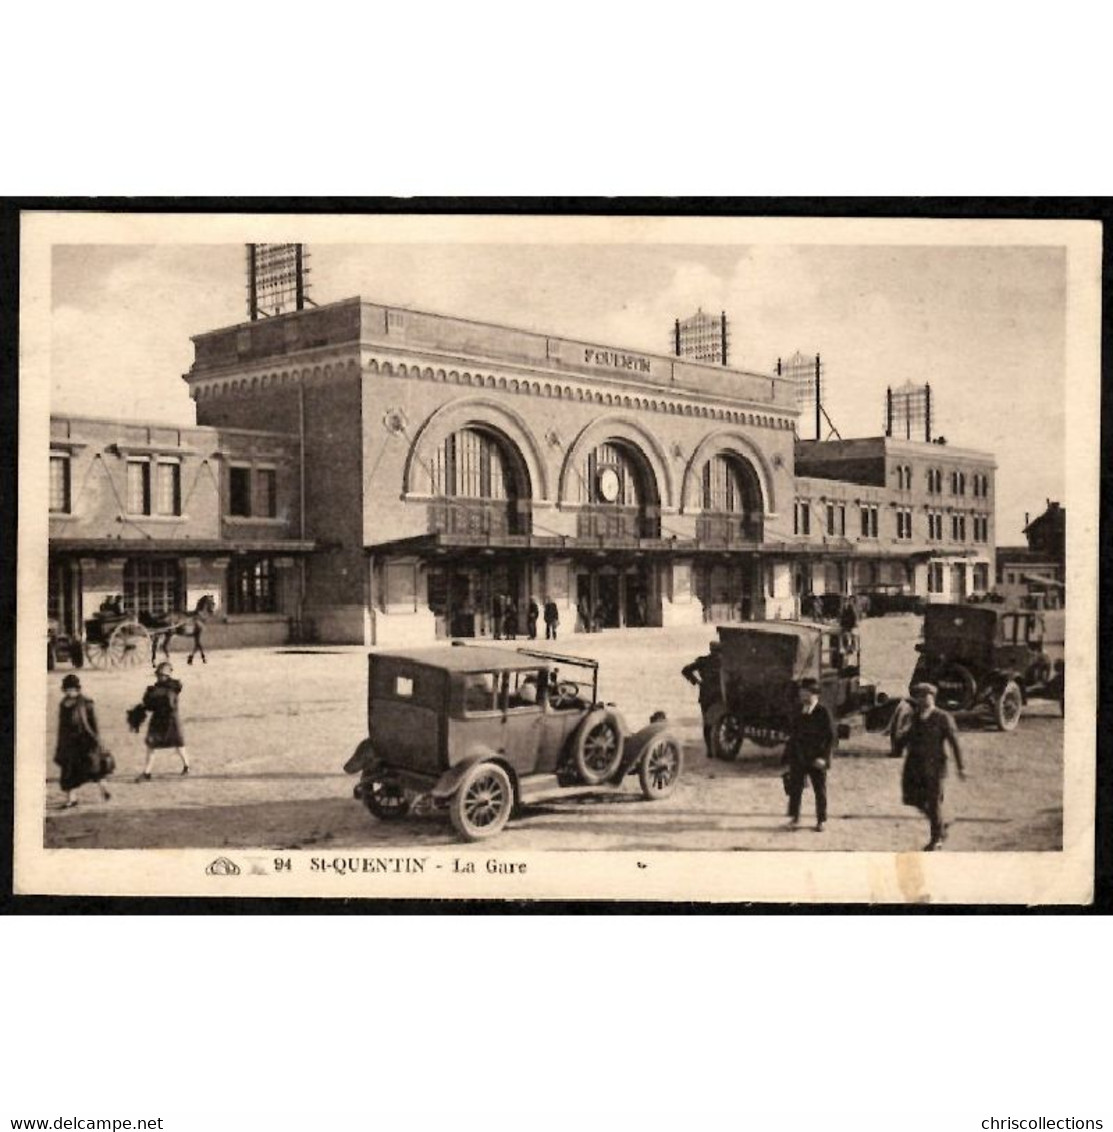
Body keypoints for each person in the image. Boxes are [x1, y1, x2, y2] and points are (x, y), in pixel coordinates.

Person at [894, 681, 966, 851]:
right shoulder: (915, 717)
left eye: (926, 696)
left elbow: (954, 743)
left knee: (933, 802)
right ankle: (942, 824)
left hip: (935, 767)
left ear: (933, 698)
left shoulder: (943, 718)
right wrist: (899, 741)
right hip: (915, 766)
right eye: (919, 697)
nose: (923, 700)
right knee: (913, 799)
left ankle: (936, 839)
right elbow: (905, 738)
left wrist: (961, 767)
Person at [782, 677, 836, 832]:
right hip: (799, 757)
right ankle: (795, 818)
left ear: (814, 695)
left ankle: (821, 820)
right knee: (795, 789)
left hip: (816, 758)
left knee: (820, 790)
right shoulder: (798, 710)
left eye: (805, 693)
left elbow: (831, 738)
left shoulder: (823, 712)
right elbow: (793, 735)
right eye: (801, 692)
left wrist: (824, 759)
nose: (802, 695)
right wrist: (788, 757)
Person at [54, 674, 112, 807]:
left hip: (86, 741)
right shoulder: (63, 704)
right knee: (68, 771)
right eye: (67, 689)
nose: (70, 692)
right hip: (69, 743)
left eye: (72, 689)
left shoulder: (87, 703)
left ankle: (104, 790)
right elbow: (61, 726)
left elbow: (94, 724)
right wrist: (60, 745)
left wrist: (97, 740)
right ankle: (71, 799)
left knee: (94, 768)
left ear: (77, 689)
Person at [134, 661, 190, 780]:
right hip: (159, 720)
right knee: (151, 745)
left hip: (171, 720)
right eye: (159, 675)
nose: (160, 677)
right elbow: (150, 705)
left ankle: (186, 765)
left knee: (179, 744)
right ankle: (147, 773)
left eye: (162, 675)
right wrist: (144, 707)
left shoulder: (173, 688)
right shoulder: (154, 690)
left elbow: (169, 703)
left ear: (168, 676)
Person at [681, 644, 722, 755]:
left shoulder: (704, 661)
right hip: (719, 696)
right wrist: (697, 682)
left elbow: (685, 670)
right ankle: (713, 748)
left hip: (706, 695)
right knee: (717, 722)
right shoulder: (723, 662)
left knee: (708, 724)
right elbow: (685, 670)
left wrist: (697, 682)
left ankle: (710, 749)